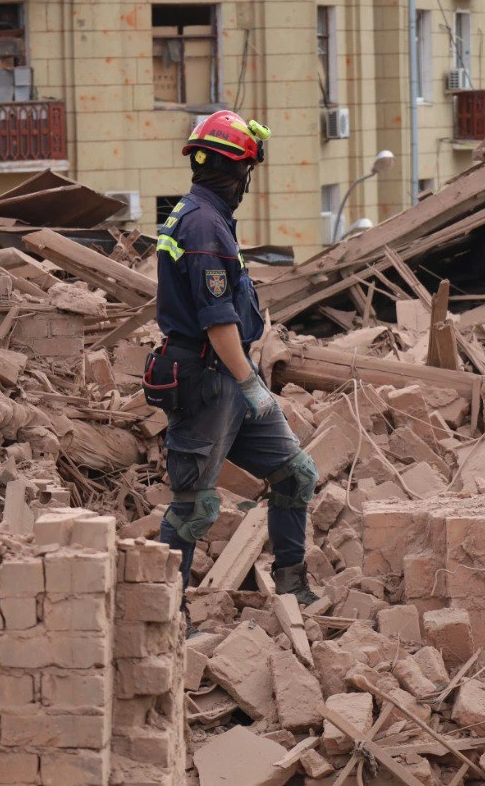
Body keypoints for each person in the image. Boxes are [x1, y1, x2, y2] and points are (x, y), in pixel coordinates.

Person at [146, 110, 319, 607]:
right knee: (194, 507)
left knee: (295, 474)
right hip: (209, 381)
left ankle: (291, 587)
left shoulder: (207, 217)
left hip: (228, 376)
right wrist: (251, 385)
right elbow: (217, 321)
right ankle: (164, 617)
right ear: (238, 170)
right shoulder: (203, 226)